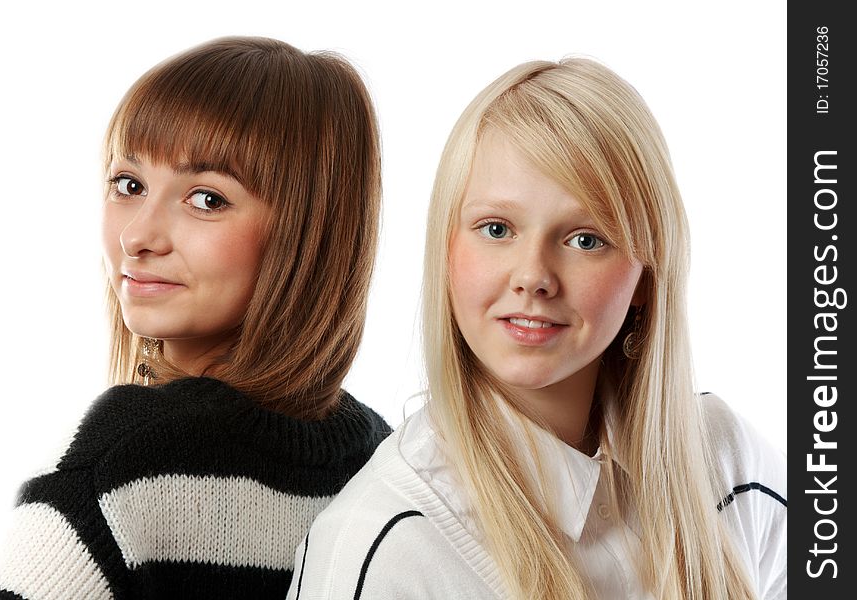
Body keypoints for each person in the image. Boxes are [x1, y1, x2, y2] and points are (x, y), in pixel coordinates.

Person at [289, 58, 786, 599]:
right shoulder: (388, 543)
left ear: (647, 275)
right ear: (446, 249)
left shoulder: (730, 464)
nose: (533, 277)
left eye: (585, 239)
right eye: (496, 228)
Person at [0, 36, 389, 600]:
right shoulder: (387, 465)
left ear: (310, 232)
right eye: (129, 185)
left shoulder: (117, 470)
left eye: (207, 199)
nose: (137, 235)